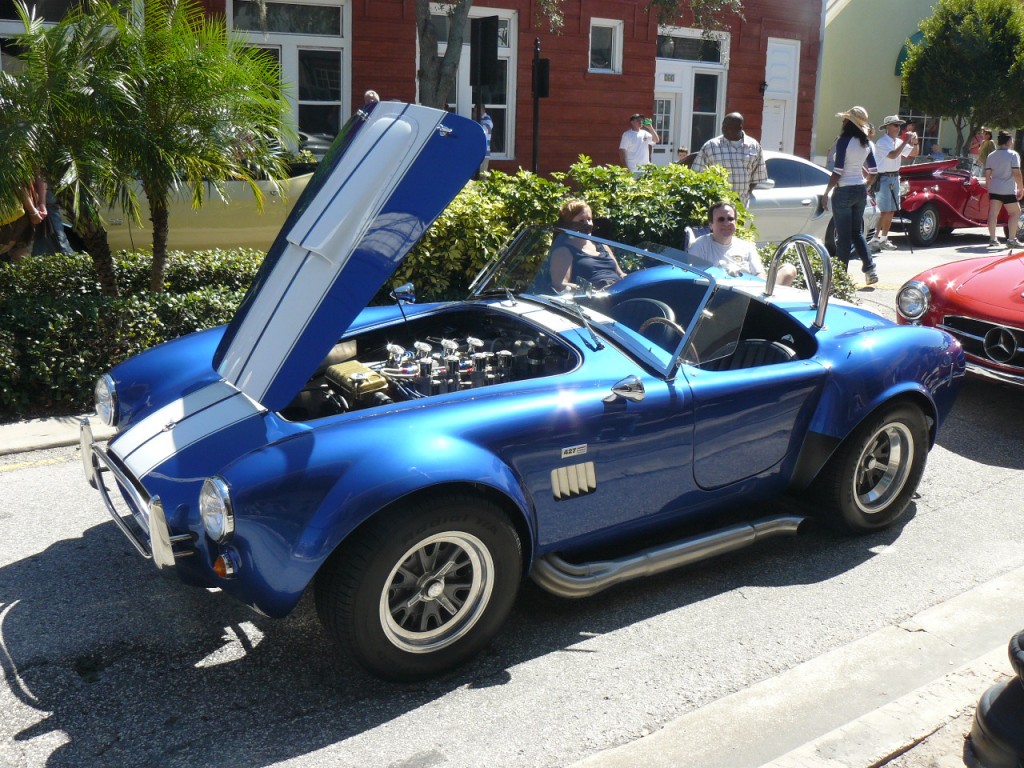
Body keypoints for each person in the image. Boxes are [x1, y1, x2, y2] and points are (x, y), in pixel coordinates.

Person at [823, 106, 879, 285]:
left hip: (844, 190)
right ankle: (870, 270)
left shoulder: (843, 141)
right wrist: (865, 185)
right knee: (857, 233)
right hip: (859, 190)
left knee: (843, 237)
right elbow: (874, 171)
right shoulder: (867, 143)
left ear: (850, 123)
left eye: (845, 119)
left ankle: (839, 278)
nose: (842, 121)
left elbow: (838, 170)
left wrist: (826, 192)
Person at [686, 200, 796, 286]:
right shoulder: (700, 245)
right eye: (721, 219)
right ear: (711, 225)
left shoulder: (746, 247)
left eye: (730, 219)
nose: (726, 223)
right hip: (718, 296)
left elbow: (759, 274)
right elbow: (693, 279)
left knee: (788, 270)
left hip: (750, 294)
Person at [691, 112, 767, 205]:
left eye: (728, 127)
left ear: (739, 128)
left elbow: (757, 176)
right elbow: (697, 174)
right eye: (723, 125)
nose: (723, 129)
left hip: (741, 206)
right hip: (717, 206)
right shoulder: (711, 146)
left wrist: (745, 193)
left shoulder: (754, 146)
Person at [549, 199, 625, 291]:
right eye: (581, 221)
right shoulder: (563, 251)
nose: (588, 224)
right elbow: (560, 285)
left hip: (619, 293)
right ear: (569, 225)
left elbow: (621, 274)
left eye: (589, 219)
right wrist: (592, 291)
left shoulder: (602, 246)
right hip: (592, 300)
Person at [868, 115, 918, 252]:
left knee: (891, 210)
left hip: (894, 177)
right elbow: (893, 155)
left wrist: (915, 142)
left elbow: (914, 153)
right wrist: (906, 140)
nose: (898, 128)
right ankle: (874, 239)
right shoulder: (882, 142)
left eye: (899, 125)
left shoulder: (897, 142)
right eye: (895, 125)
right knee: (883, 211)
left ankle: (884, 239)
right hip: (884, 178)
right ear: (887, 127)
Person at [983, 130, 1023, 249]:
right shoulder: (1013, 155)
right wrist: (1021, 187)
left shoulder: (991, 155)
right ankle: (1011, 239)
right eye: (1011, 139)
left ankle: (992, 239)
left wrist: (989, 187)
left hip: (994, 188)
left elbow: (988, 174)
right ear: (1008, 141)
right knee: (1015, 212)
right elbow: (1016, 173)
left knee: (993, 214)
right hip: (1008, 189)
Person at [0, 178, 47, 263]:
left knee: (21, 254)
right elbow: (17, 183)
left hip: (23, 215)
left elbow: (39, 175)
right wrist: (35, 210)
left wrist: (41, 204)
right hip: (14, 215)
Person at [473, 105, 493, 175]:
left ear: (483, 110)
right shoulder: (478, 120)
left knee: (482, 176)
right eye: (474, 111)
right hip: (477, 153)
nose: (474, 113)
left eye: (477, 111)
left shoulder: (487, 120)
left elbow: (484, 131)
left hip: (484, 154)